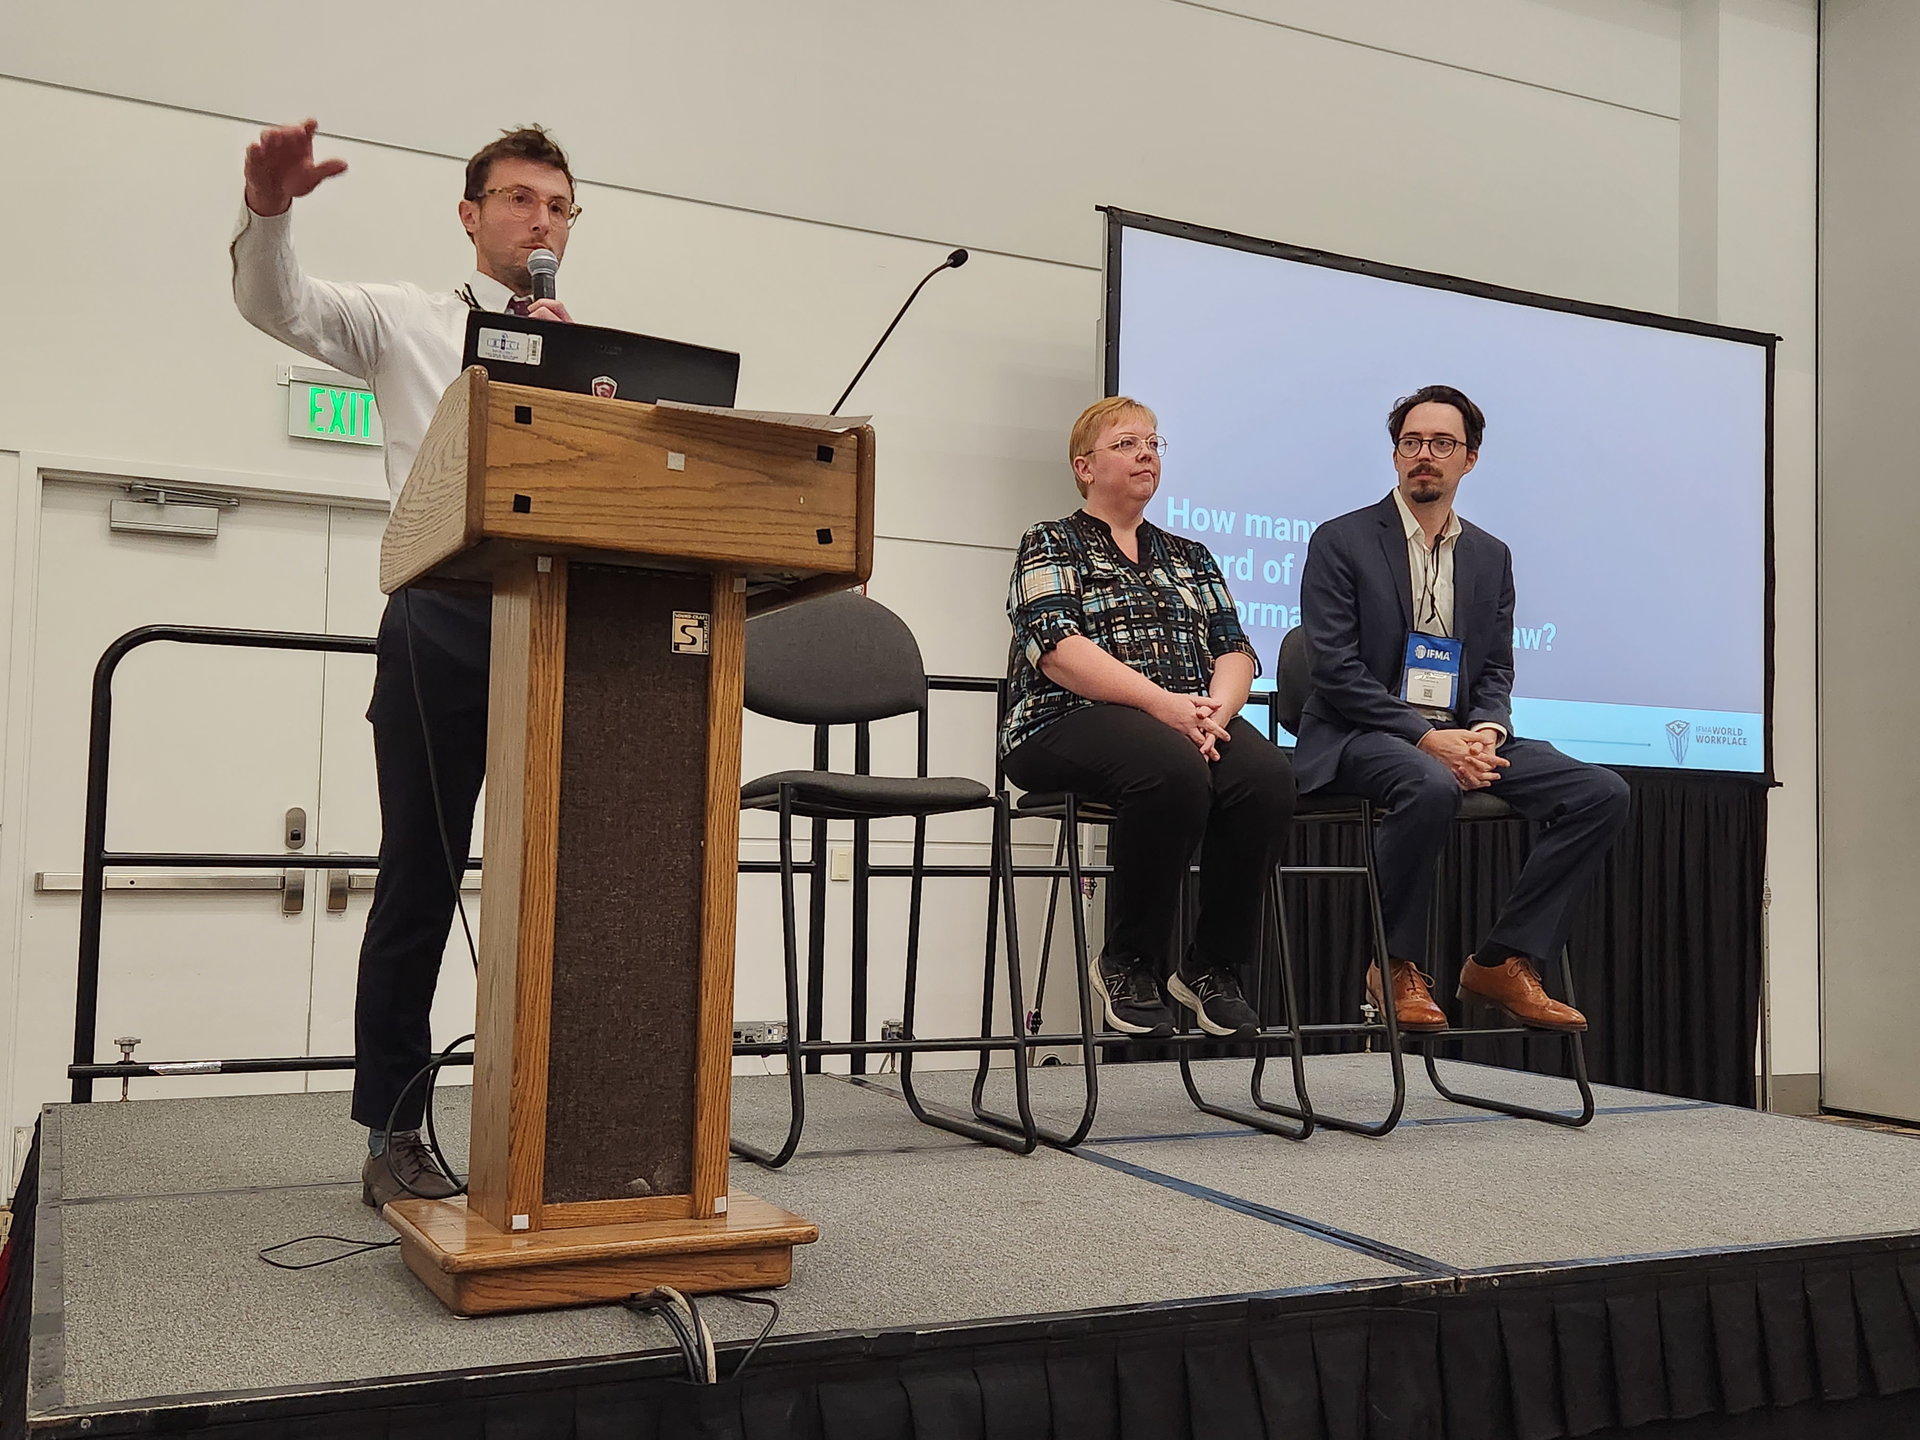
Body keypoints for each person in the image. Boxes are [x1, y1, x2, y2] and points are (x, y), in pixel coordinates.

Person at [231, 119, 583, 1207]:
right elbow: (276, 305)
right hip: (440, 616)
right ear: (472, 215)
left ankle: (569, 1122)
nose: (542, 220)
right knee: (418, 888)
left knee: (577, 889)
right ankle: (393, 1131)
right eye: (521, 199)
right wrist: (269, 209)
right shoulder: (404, 323)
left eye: (559, 206)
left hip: (567, 627)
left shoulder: (597, 350)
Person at [1295, 385, 1630, 1033]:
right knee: (1427, 783)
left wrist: (1483, 731)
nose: (1426, 455)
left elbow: (1496, 668)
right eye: (1412, 442)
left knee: (1599, 792)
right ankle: (1391, 965)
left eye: (1442, 444)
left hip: (1457, 734)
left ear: (1469, 459)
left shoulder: (1490, 555)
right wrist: (1427, 739)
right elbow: (1334, 671)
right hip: (1358, 735)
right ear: (1395, 456)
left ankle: (1503, 961)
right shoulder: (1341, 541)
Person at [1000, 397, 1298, 1039]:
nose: (1146, 453)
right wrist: (1164, 706)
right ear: (1085, 466)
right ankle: (1129, 961)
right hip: (1062, 720)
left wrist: (1216, 711)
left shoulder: (1190, 554)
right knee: (1171, 769)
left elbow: (1235, 648)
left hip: (1186, 720)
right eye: (1128, 443)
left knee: (1268, 777)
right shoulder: (1050, 539)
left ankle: (1212, 967)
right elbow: (1058, 650)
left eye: (1155, 444)